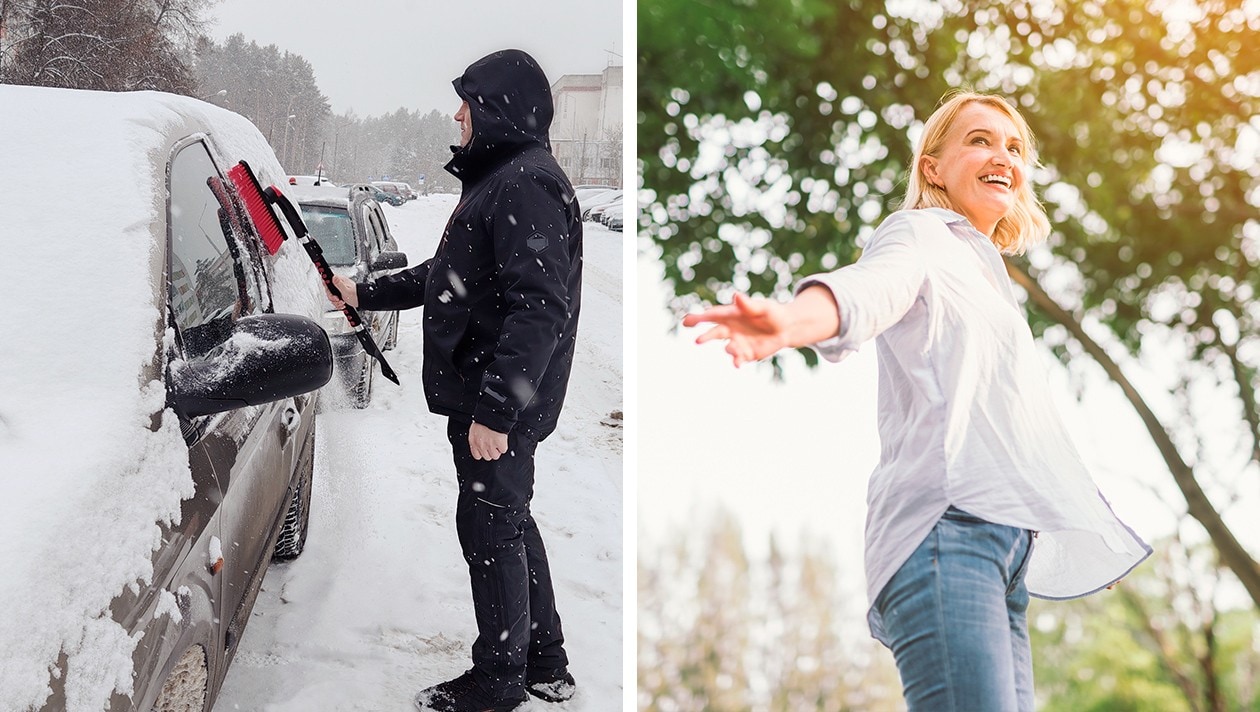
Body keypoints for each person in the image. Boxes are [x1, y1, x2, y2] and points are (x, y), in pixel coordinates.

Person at [683, 91, 1152, 710]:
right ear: (932, 166)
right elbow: (872, 286)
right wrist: (793, 321)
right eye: (979, 140)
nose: (1002, 156)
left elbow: (1016, 426)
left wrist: (1080, 522)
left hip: (1005, 551)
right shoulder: (921, 233)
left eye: (1014, 148)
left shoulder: (988, 277)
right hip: (947, 532)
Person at [326, 49, 581, 712]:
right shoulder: (502, 180)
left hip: (500, 406)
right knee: (509, 523)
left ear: (497, 106)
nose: (457, 113)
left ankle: (499, 680)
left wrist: (496, 412)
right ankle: (546, 663)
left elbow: (539, 308)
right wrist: (363, 291)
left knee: (490, 531)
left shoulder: (525, 183)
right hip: (493, 400)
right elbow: (447, 276)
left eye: (467, 99)